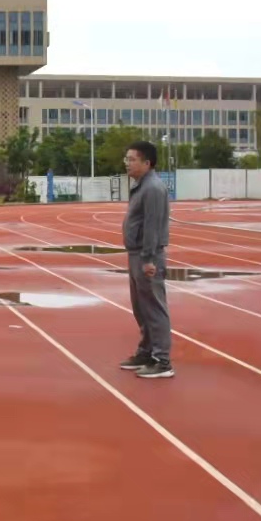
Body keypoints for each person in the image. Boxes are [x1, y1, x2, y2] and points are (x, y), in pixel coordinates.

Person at [119, 140, 175, 379]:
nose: (127, 163)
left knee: (153, 308)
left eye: (132, 159)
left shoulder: (152, 188)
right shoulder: (141, 186)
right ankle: (147, 351)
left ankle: (162, 361)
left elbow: (152, 225)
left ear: (147, 163)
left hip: (147, 256)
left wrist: (149, 259)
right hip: (136, 253)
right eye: (127, 159)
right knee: (141, 308)